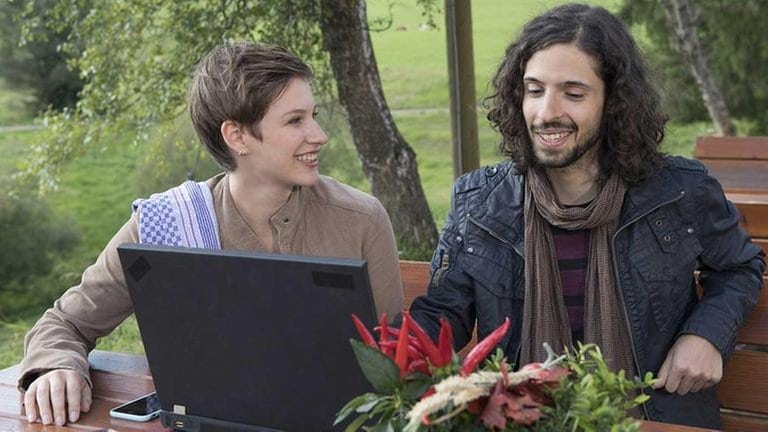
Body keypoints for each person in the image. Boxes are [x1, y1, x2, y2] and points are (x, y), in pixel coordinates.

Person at [409, 3, 764, 429]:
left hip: (653, 417)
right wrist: (379, 354)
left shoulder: (680, 190)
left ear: (614, 103)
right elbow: (442, 313)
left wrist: (705, 334)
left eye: (573, 94)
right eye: (534, 90)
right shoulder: (479, 202)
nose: (546, 113)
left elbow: (739, 268)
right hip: (526, 420)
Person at [19, 42, 404, 426]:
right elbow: (65, 322)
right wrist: (56, 368)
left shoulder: (360, 219)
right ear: (236, 136)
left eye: (313, 115)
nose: (319, 135)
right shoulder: (166, 223)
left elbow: (396, 361)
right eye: (295, 121)